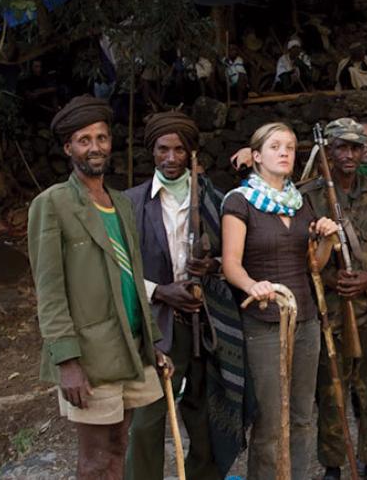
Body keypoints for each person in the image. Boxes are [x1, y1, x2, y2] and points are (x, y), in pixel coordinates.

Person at [27, 96, 170, 480]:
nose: (95, 147)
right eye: (84, 139)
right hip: (90, 355)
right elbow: (49, 289)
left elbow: (133, 277)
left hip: (130, 345)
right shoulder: (52, 204)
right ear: (68, 147)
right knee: (94, 459)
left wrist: (152, 341)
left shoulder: (120, 203)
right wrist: (67, 361)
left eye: (102, 138)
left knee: (119, 446)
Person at [221, 122, 337, 479]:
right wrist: (252, 285)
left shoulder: (301, 203)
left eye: (289, 146)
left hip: (305, 319)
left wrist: (328, 239)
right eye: (275, 147)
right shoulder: (238, 201)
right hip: (265, 322)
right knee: (271, 420)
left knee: (302, 416)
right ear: (256, 156)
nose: (285, 152)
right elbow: (230, 264)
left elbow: (314, 265)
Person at [124, 111, 227, 479]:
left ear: (190, 154)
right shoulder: (131, 203)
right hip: (157, 324)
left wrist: (211, 265)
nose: (170, 158)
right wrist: (162, 292)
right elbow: (122, 272)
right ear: (152, 152)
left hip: (205, 321)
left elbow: (230, 253)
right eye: (162, 149)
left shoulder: (211, 198)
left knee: (204, 413)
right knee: (149, 417)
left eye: (178, 150)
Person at [302, 118, 367, 480]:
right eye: (342, 147)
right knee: (331, 392)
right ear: (328, 150)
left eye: (356, 147)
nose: (350, 154)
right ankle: (333, 464)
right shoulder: (310, 196)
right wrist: (333, 279)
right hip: (332, 310)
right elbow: (304, 251)